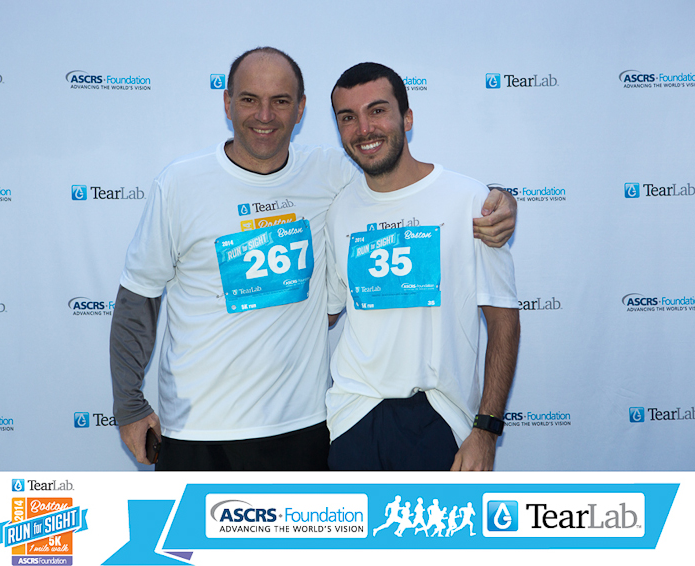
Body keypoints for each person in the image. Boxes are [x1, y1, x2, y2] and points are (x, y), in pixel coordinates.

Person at [110, 47, 517, 471]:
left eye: (280, 101)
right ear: (227, 103)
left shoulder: (330, 175)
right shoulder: (179, 184)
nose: (264, 115)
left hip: (303, 428)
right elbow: (138, 297)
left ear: (300, 109)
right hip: (197, 431)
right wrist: (129, 405)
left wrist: (500, 200)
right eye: (249, 99)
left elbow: (407, 183)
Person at [324, 62, 520, 471]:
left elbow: (503, 321)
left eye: (378, 110)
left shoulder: (471, 201)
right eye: (348, 117)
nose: (364, 128)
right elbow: (326, 311)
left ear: (407, 118)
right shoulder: (340, 209)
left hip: (439, 419)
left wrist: (486, 430)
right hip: (352, 418)